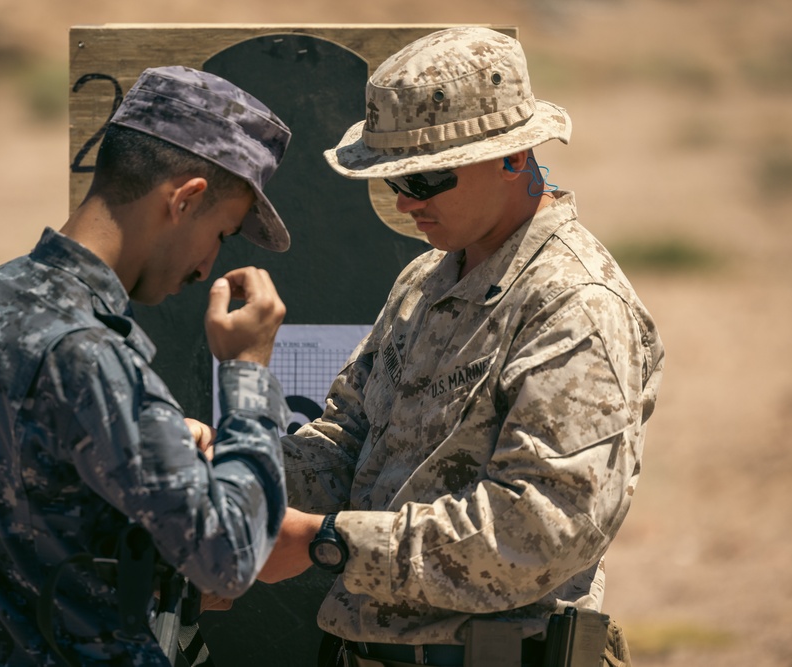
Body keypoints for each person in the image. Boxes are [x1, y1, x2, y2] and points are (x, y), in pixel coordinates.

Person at [257, 26, 665, 667]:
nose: (403, 201)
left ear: (511, 157)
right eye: (393, 180)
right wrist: (242, 474)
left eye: (425, 178)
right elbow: (347, 444)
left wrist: (330, 544)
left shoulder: (576, 305)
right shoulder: (425, 280)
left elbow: (539, 529)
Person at [0, 66, 294, 666]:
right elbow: (231, 557)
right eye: (220, 233)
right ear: (186, 198)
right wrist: (247, 374)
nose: (206, 266)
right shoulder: (90, 353)